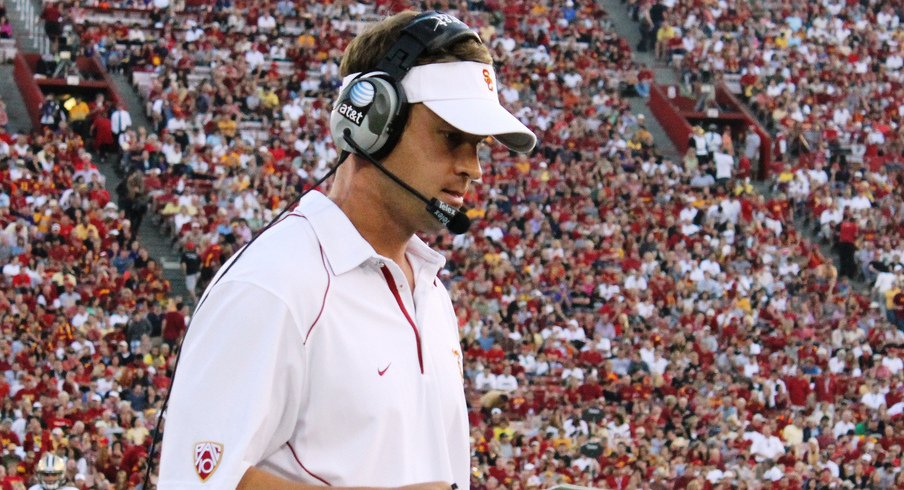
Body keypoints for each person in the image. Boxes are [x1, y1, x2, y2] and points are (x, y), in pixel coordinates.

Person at [158, 10, 536, 489]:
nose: (473, 168)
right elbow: (195, 483)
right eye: (452, 138)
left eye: (478, 145)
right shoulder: (273, 284)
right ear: (373, 122)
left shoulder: (430, 292)